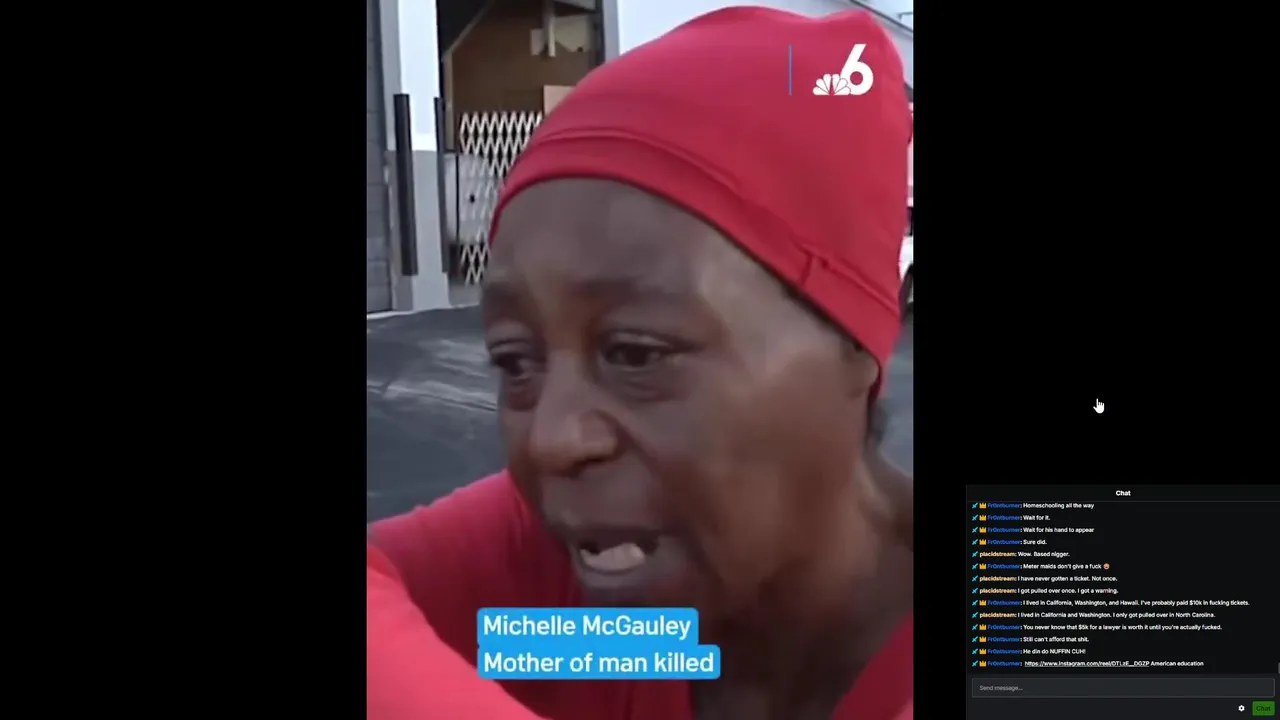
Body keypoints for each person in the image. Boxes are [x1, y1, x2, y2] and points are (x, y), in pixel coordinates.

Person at [367, 6, 914, 720]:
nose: (551, 440)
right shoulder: (617, 636)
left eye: (635, 353)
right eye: (514, 361)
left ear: (857, 349)